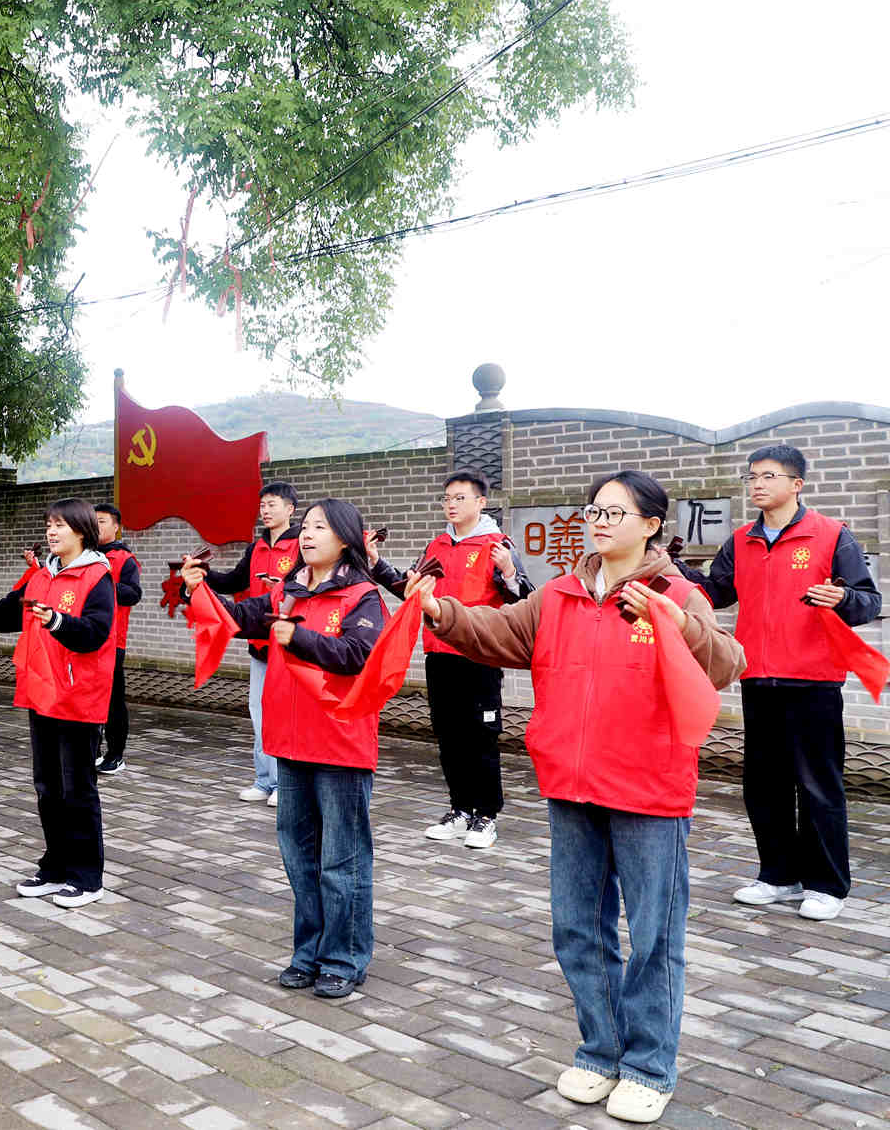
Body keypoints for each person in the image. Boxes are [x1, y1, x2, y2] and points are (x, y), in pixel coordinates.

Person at [417, 470, 744, 1124]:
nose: (599, 521)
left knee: (653, 936)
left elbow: (725, 663)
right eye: (594, 510)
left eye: (615, 512)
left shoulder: (676, 593)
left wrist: (677, 622)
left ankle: (650, 1067)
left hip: (650, 790)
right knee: (577, 931)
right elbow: (499, 630)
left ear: (651, 524)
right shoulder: (560, 594)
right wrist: (440, 611)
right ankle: (601, 1051)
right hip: (571, 783)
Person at [672, 444, 880, 921]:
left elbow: (869, 601)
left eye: (768, 476)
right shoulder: (741, 539)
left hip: (814, 681)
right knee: (764, 785)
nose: (757, 485)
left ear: (796, 484)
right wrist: (676, 570)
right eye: (752, 477)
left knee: (818, 786)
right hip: (758, 677)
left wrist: (843, 598)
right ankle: (779, 876)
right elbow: (717, 591)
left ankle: (827, 885)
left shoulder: (831, 535)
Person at [184, 498, 385, 994]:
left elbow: (358, 656)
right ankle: (308, 953)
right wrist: (198, 588)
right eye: (306, 526)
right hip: (290, 743)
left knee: (342, 860)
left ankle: (343, 958)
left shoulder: (362, 596)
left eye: (320, 527)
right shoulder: (286, 592)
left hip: (339, 746)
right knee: (299, 857)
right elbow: (236, 617)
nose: (307, 534)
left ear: (346, 539)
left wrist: (298, 638)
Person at [0, 499, 115, 906]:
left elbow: (96, 633)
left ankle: (87, 878)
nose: (51, 532)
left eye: (59, 525)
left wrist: (58, 622)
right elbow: (5, 615)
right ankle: (55, 867)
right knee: (48, 787)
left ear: (81, 531)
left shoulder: (97, 577)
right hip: (41, 694)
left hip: (78, 697)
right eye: (49, 525)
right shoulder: (41, 576)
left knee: (77, 789)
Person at [370, 468, 532, 850]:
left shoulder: (497, 545)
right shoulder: (436, 546)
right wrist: (376, 563)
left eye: (460, 498)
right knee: (449, 736)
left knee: (480, 737)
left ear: (481, 502)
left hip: (479, 654)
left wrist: (510, 571)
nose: (451, 505)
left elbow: (525, 601)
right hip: (439, 653)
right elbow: (409, 589)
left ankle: (486, 815)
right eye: (447, 499)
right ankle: (460, 809)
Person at [200, 480, 301, 808]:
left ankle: (286, 784)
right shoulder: (255, 547)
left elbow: (305, 585)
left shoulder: (301, 543)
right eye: (262, 505)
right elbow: (234, 580)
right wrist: (204, 573)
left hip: (289, 642)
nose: (266, 511)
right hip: (259, 642)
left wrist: (280, 587)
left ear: (290, 509)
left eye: (272, 504)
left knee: (285, 715)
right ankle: (265, 779)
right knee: (259, 713)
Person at [91, 504, 143, 774]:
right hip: (85, 635)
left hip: (112, 640)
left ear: (116, 527)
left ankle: (116, 754)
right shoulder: (85, 555)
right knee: (88, 696)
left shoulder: (124, 559)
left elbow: (133, 594)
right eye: (93, 521)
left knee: (112, 700)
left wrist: (104, 581)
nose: (96, 526)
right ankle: (92, 750)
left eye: (102, 521)